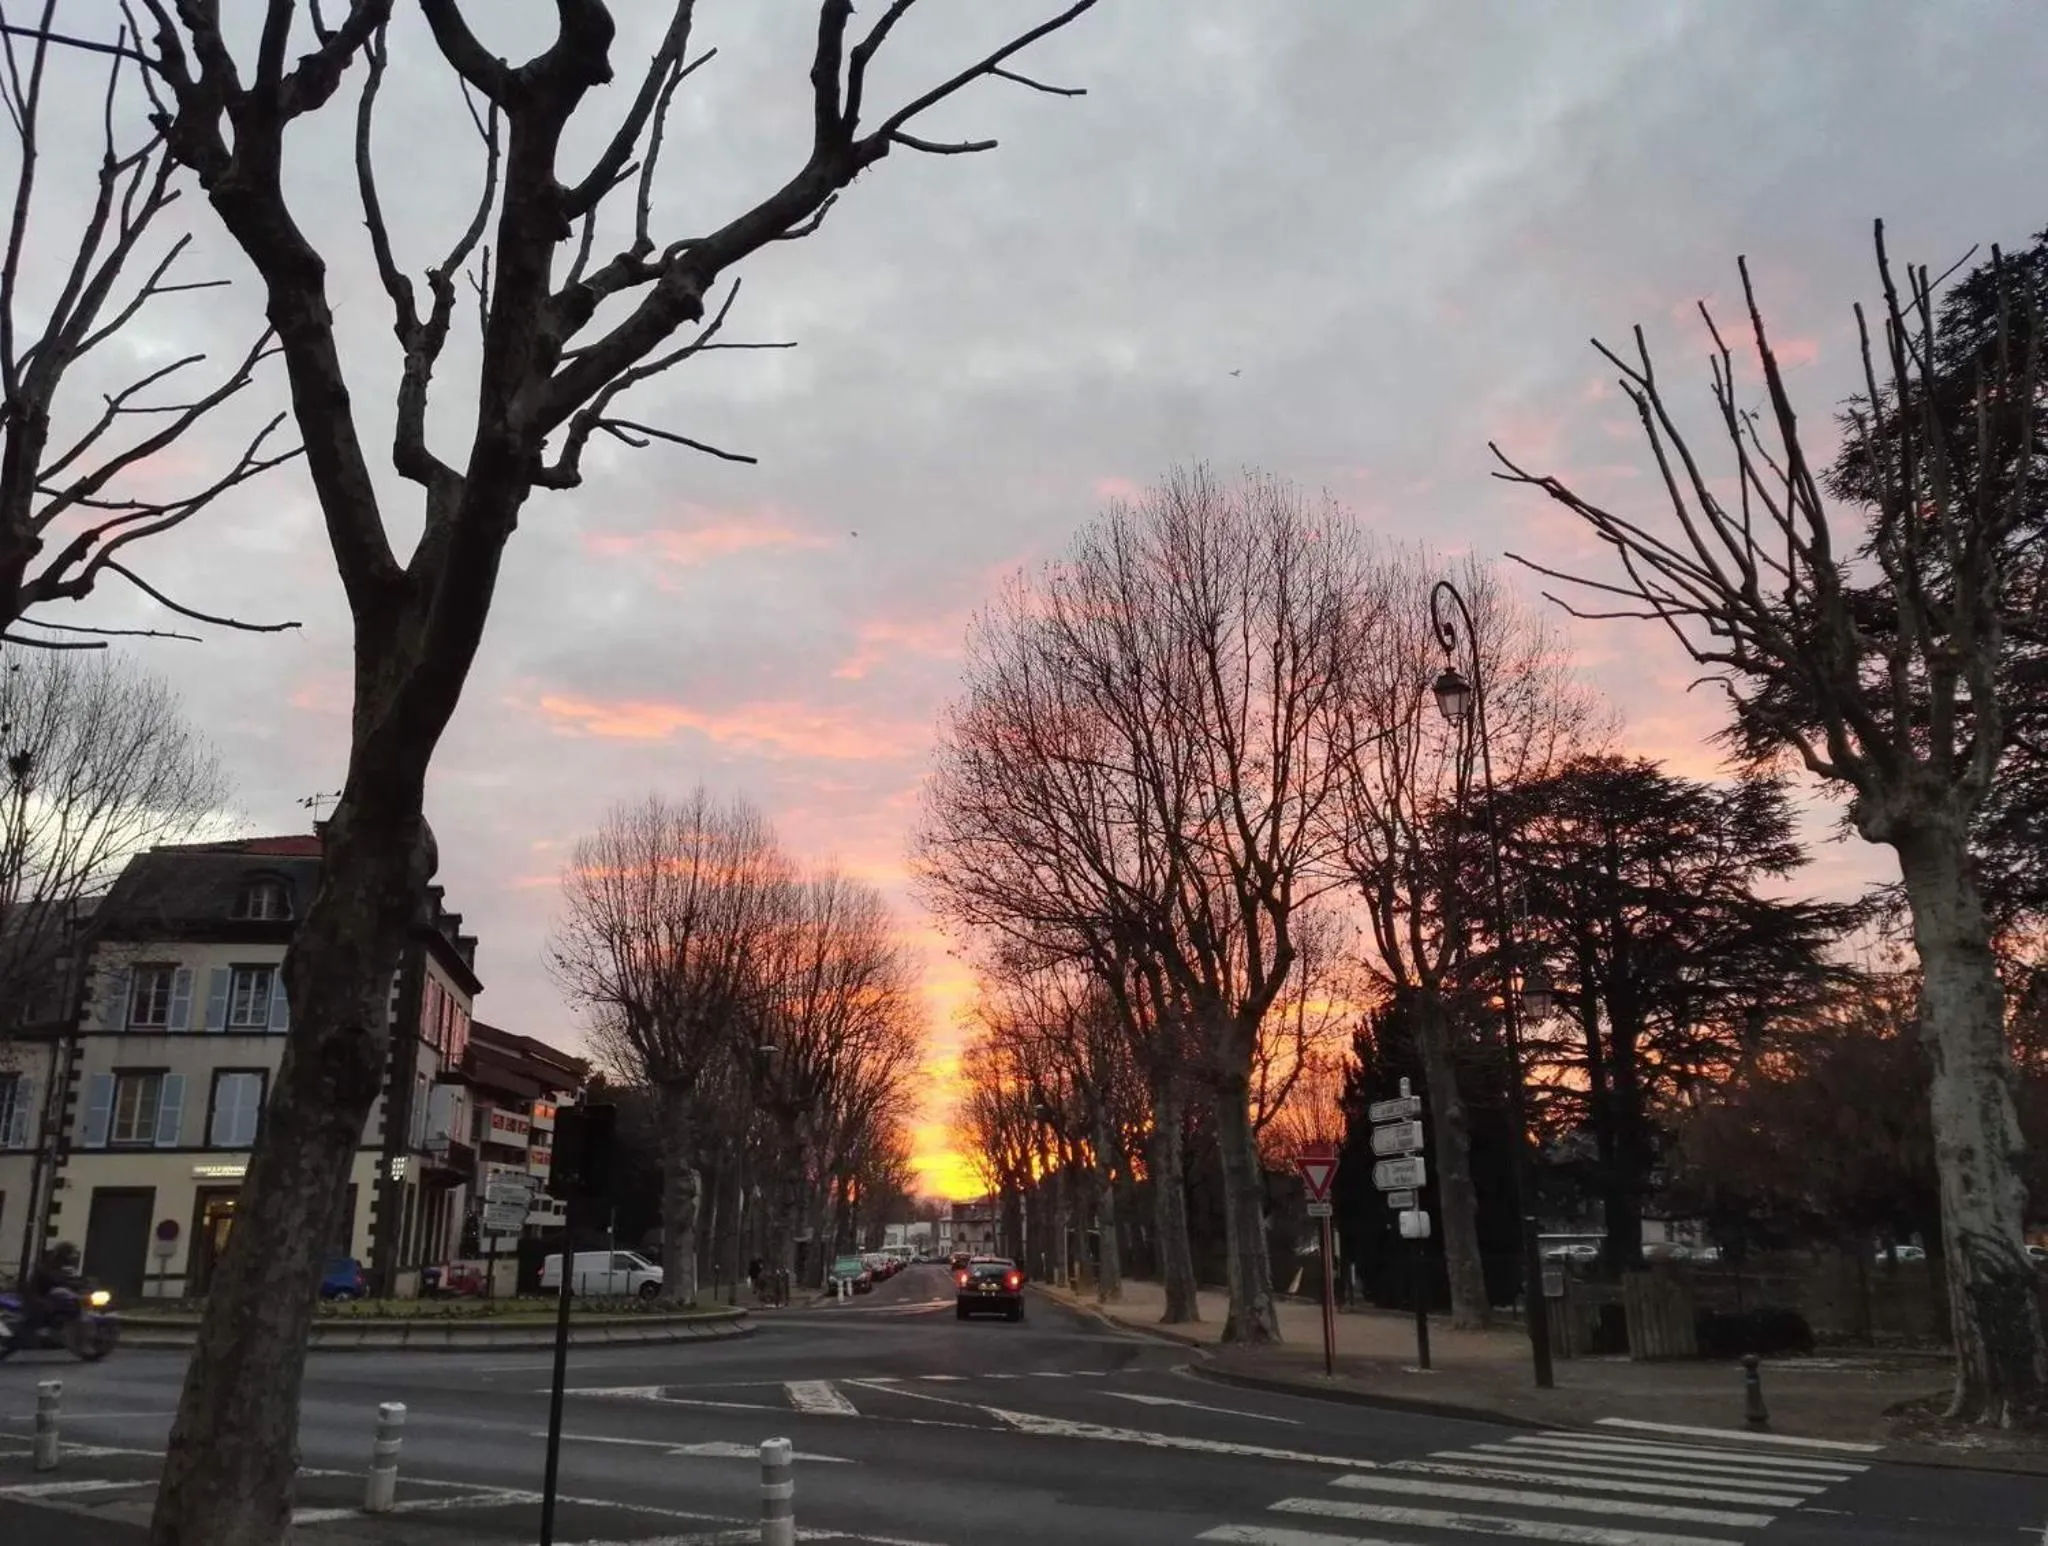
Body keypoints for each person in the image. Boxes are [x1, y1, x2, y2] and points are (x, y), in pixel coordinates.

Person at [17, 1242, 84, 1343]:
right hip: (38, 1296)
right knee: (54, 1304)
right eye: (71, 1254)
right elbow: (54, 1279)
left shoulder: (59, 1265)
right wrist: (71, 1283)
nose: (74, 1257)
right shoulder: (50, 1264)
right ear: (65, 1254)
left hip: (42, 1294)